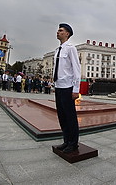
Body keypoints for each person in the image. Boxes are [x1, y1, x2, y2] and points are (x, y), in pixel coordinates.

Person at [53, 23, 81, 154]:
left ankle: (73, 143)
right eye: (58, 30)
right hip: (58, 86)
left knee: (70, 116)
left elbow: (76, 69)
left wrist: (76, 89)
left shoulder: (71, 48)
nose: (58, 32)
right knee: (62, 116)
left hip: (68, 87)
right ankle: (66, 140)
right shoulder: (57, 50)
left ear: (67, 33)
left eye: (60, 30)